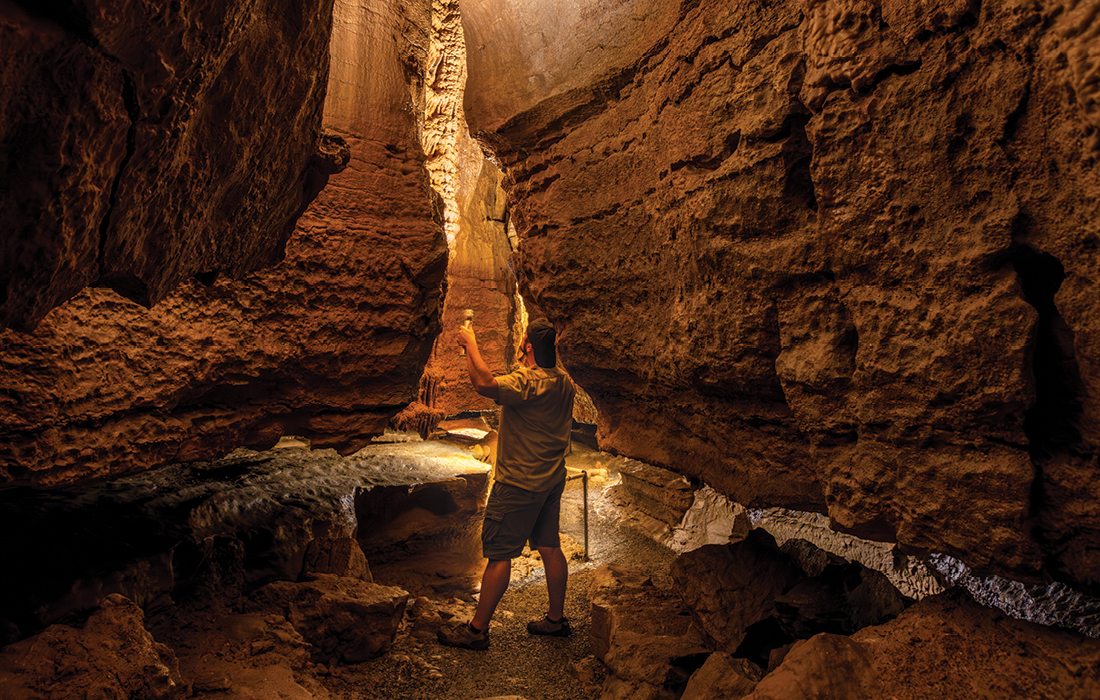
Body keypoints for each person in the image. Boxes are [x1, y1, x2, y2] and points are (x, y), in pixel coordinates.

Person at [438, 317, 576, 650]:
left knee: (499, 555)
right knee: (549, 546)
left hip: (518, 483)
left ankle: (476, 631)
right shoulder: (564, 382)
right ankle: (555, 621)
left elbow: (484, 384)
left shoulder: (528, 382)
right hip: (550, 478)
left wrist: (470, 342)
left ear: (528, 345)